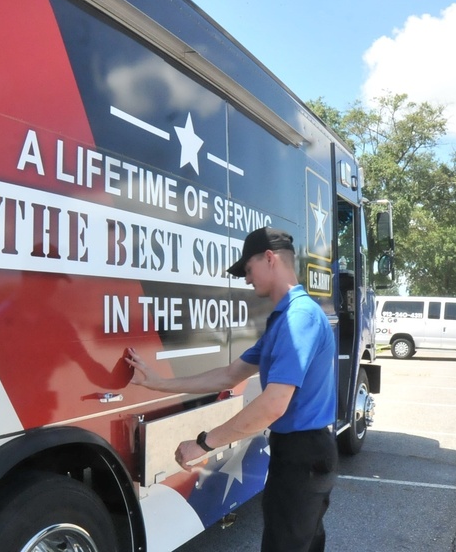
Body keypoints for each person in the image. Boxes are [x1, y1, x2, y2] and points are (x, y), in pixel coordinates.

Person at [125, 226, 337, 552]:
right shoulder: (285, 320)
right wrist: (156, 381)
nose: (247, 280)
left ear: (269, 259)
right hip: (300, 455)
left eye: (248, 270)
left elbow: (273, 405)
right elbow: (228, 375)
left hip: (302, 457)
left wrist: (203, 443)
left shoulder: (299, 318)